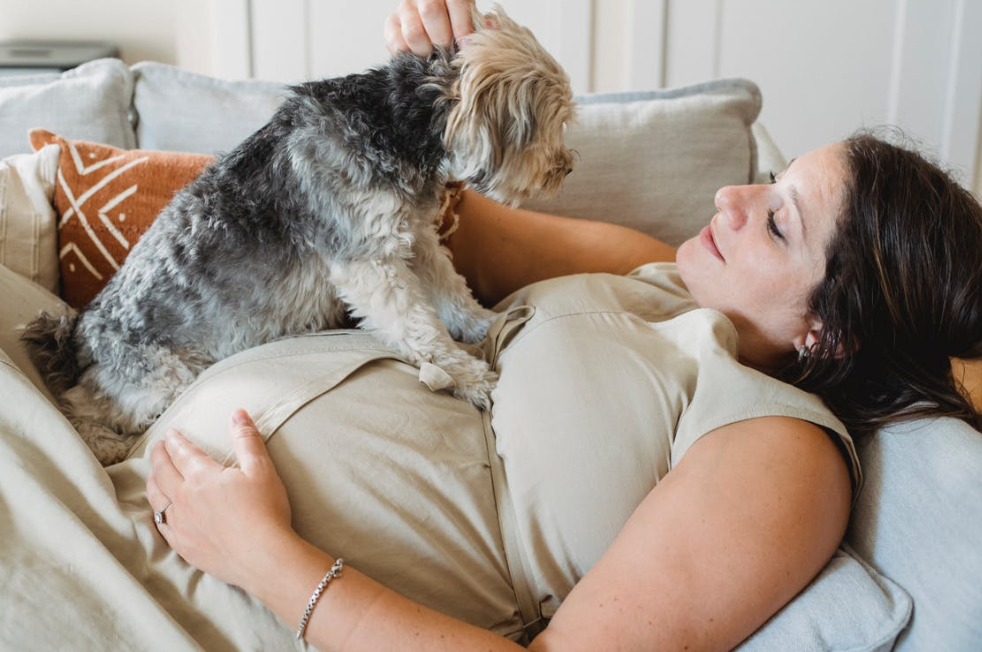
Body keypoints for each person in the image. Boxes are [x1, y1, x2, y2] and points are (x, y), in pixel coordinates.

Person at [144, 1, 982, 650]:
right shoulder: (653, 270)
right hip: (159, 468)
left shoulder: (783, 456)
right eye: (771, 178)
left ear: (830, 333)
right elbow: (445, 221)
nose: (733, 196)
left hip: (227, 588)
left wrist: (265, 557)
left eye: (777, 221)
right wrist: (434, 80)